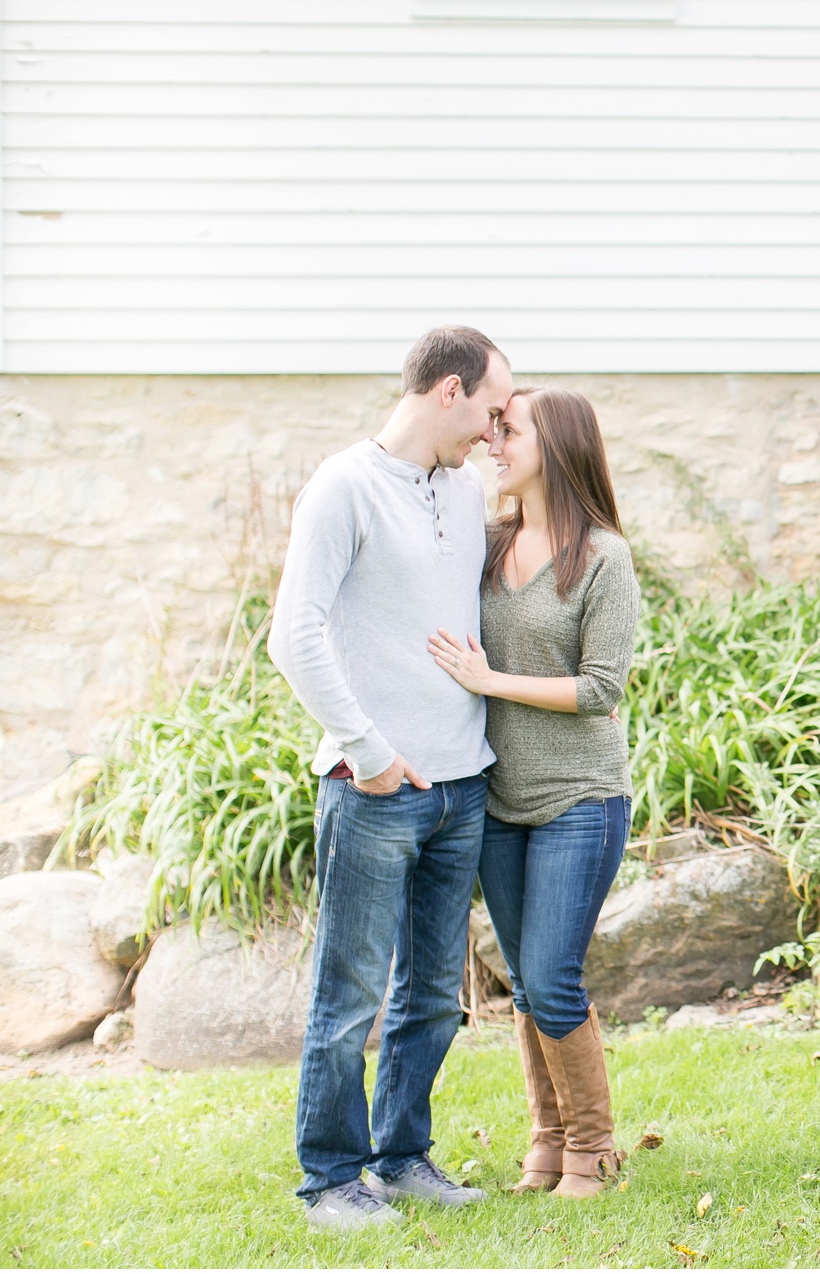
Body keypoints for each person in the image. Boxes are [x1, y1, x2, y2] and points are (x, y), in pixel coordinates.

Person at [269, 325, 512, 1232]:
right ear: (447, 390)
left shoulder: (464, 485)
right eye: (490, 411)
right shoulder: (343, 486)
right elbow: (293, 635)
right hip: (375, 791)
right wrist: (366, 749)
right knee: (351, 997)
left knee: (431, 999)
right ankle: (330, 1176)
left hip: (461, 785)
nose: (496, 433)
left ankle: (402, 1155)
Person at [428, 386, 640, 1200]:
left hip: (579, 799)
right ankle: (547, 1143)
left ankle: (594, 1146)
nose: (492, 441)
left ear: (552, 444)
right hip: (497, 799)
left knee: (552, 975)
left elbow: (601, 688)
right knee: (524, 979)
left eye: (507, 430)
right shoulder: (485, 544)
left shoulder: (603, 558)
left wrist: (491, 679)